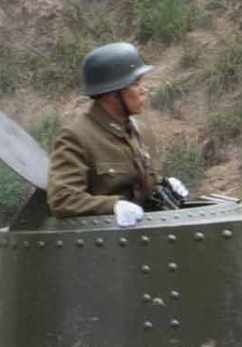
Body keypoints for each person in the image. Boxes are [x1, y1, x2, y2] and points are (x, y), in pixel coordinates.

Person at [45, 43, 166, 217]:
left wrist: (163, 185)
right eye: (136, 83)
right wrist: (113, 206)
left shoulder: (141, 131)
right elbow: (63, 199)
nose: (143, 90)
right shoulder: (76, 137)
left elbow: (142, 184)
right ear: (113, 94)